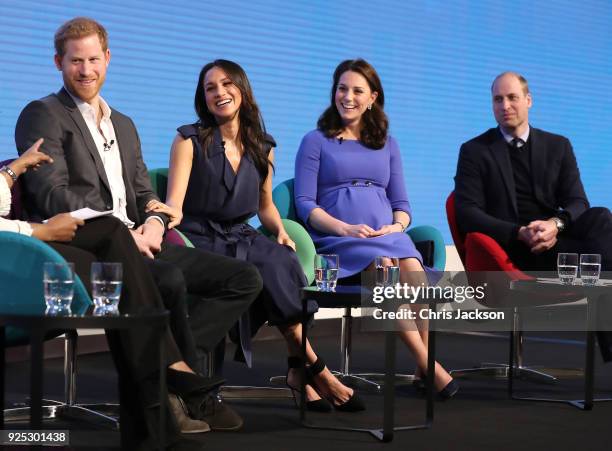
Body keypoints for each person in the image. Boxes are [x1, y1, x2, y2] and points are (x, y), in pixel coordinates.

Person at [13, 17, 263, 436]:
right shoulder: (43, 114)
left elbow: (146, 192)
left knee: (243, 278)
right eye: (76, 61)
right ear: (59, 62)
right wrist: (121, 230)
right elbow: (52, 194)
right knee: (167, 281)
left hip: (140, 238)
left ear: (108, 59)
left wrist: (152, 222)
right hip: (87, 243)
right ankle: (180, 391)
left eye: (94, 59)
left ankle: (175, 380)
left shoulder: (124, 125)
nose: (86, 69)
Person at [154, 59, 363, 412]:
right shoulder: (188, 140)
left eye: (226, 84)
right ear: (202, 98)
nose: (219, 92)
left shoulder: (262, 146)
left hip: (241, 233)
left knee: (282, 261)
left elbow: (265, 206)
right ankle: (315, 369)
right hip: (200, 236)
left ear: (242, 89)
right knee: (260, 274)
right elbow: (174, 202)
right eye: (210, 88)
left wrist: (279, 230)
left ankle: (301, 369)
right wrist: (160, 218)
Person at [1, 139, 215, 446]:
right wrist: (39, 231)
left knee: (111, 235)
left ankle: (158, 416)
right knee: (121, 268)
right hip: (13, 257)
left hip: (18, 244)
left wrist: (15, 168)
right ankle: (161, 403)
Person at [294, 58, 458, 398]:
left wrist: (394, 228)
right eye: (342, 88)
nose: (347, 97)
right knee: (386, 269)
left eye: (357, 90)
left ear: (373, 98)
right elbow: (305, 204)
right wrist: (343, 228)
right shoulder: (315, 141)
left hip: (385, 235)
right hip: (338, 238)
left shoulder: (388, 144)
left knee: (411, 265)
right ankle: (430, 366)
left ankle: (421, 368)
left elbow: (403, 206)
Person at [454, 71, 612, 361]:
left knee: (601, 217)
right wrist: (518, 231)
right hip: (512, 250)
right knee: (602, 258)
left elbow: (578, 201)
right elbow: (467, 213)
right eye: (497, 99)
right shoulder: (475, 151)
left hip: (557, 244)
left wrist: (555, 224)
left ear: (528, 100)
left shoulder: (558, 145)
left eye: (512, 97)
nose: (505, 105)